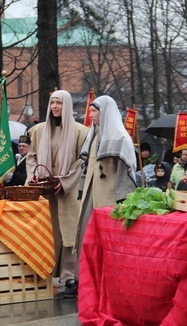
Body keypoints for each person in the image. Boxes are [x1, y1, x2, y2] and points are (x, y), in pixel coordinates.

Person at [71, 95, 137, 298]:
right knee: (86, 237)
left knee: (108, 241)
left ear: (105, 112)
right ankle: (84, 280)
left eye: (94, 111)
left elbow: (125, 172)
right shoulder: (93, 135)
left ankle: (108, 282)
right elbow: (86, 167)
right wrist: (82, 190)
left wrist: (122, 200)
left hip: (109, 199)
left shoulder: (119, 138)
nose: (90, 115)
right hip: (91, 194)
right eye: (90, 111)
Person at [26, 90, 89, 297]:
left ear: (67, 106)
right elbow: (32, 157)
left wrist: (63, 181)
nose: (54, 107)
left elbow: (82, 162)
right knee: (48, 233)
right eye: (52, 102)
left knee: (70, 233)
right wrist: (36, 178)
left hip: (67, 192)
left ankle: (70, 277)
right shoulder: (37, 131)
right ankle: (47, 273)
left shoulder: (81, 132)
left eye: (59, 103)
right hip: (45, 192)